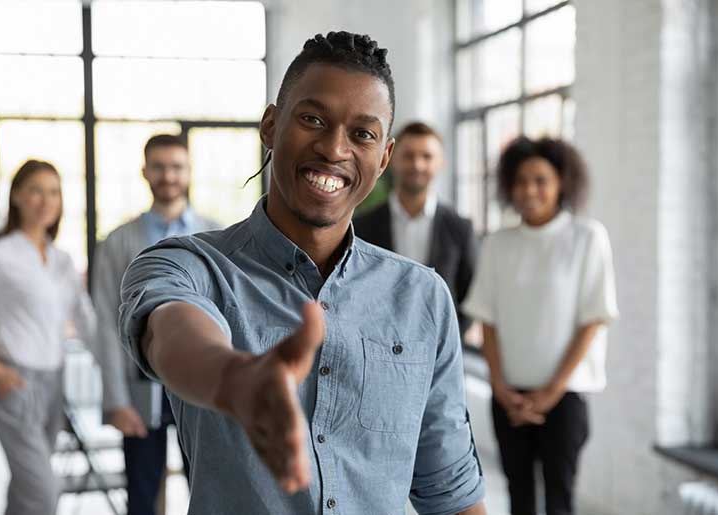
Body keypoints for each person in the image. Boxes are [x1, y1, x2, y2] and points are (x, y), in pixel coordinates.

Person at [117, 31, 487, 515]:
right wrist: (233, 379)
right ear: (271, 125)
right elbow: (171, 331)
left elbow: (450, 490)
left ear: (385, 158)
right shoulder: (187, 264)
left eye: (363, 134)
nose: (334, 149)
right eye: (313, 119)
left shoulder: (423, 297)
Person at [463, 136, 618, 515]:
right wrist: (500, 387)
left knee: (560, 498)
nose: (528, 190)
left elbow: (592, 321)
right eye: (520, 181)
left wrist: (550, 392)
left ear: (562, 182)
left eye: (540, 180)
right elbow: (488, 322)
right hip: (508, 397)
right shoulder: (499, 244)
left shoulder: (587, 237)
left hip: (564, 398)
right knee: (518, 496)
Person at [0, 160, 96, 515]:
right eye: (35, 190)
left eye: (54, 192)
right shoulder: (1, 255)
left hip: (54, 382)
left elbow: (86, 322)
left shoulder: (62, 259)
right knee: (43, 492)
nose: (46, 200)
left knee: (26, 490)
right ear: (16, 196)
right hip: (14, 381)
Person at [91, 134, 220, 515]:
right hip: (140, 386)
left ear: (189, 171)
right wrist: (115, 399)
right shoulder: (118, 241)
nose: (168, 176)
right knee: (142, 493)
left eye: (177, 166)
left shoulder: (216, 235)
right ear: (145, 171)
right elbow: (104, 321)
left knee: (209, 487)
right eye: (159, 167)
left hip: (201, 387)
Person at [354, 121, 477, 336]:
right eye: (408, 156)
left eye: (427, 157)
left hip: (438, 353)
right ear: (391, 159)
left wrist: (445, 341)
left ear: (441, 163)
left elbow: (470, 299)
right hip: (373, 345)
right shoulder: (361, 225)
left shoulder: (460, 229)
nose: (417, 164)